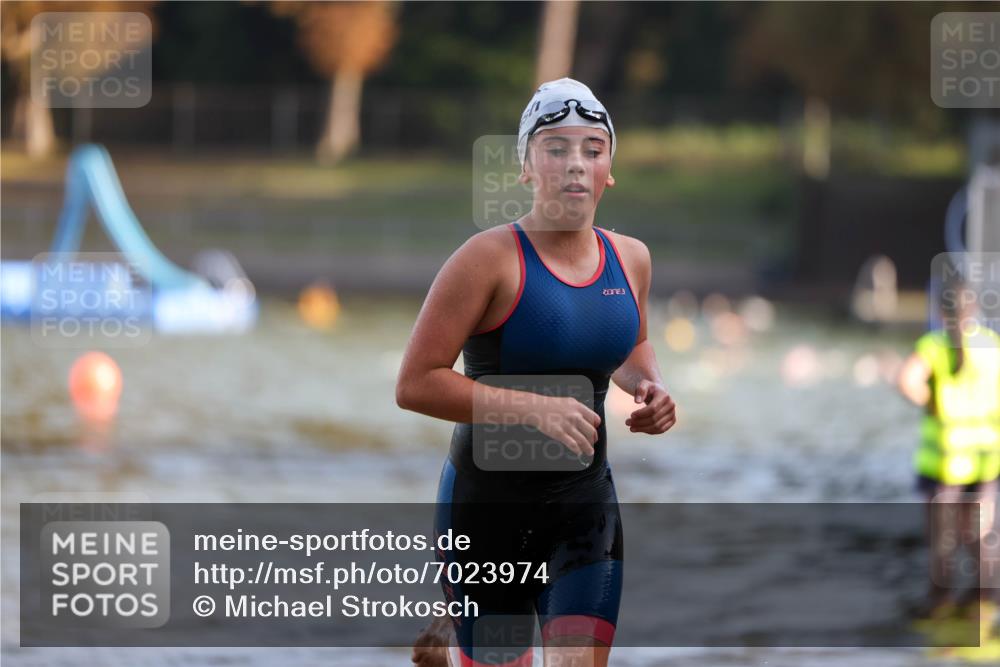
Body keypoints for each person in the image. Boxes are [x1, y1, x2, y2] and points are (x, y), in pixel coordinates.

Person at [396, 78, 676, 667]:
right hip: (484, 512)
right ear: (526, 166)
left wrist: (649, 386)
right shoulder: (486, 259)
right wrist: (533, 407)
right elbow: (415, 383)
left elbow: (632, 342)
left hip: (584, 507)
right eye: (555, 148)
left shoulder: (631, 259)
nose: (575, 164)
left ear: (609, 170)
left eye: (592, 149)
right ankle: (452, 643)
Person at [898, 276, 1000, 623]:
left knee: (942, 546)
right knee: (979, 538)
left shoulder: (933, 345)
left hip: (943, 463)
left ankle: (939, 608)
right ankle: (983, 605)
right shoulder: (992, 346)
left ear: (941, 310)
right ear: (974, 310)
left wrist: (932, 403)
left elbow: (906, 381)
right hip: (985, 462)